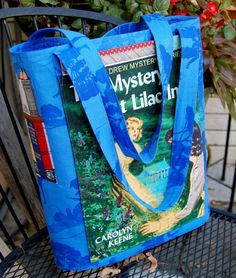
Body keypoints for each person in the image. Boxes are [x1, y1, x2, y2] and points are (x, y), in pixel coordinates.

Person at [114, 117, 158, 208]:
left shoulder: (137, 147)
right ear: (126, 130)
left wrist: (147, 150)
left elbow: (142, 163)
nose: (135, 132)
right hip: (120, 179)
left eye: (137, 129)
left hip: (130, 177)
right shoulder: (116, 146)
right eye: (132, 129)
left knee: (147, 198)